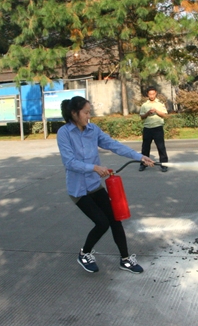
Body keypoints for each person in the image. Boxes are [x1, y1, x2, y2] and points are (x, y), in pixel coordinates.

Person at [57, 96, 155, 274]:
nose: (89, 116)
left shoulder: (93, 130)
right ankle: (84, 253)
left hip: (95, 186)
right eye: (86, 112)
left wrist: (139, 156)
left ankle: (125, 260)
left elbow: (113, 145)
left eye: (90, 112)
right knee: (102, 223)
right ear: (74, 113)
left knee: (115, 220)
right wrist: (93, 167)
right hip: (78, 190)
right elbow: (69, 162)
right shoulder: (64, 133)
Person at [139, 87, 169, 172]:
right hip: (147, 128)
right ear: (147, 94)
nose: (151, 96)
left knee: (161, 147)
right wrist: (148, 113)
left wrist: (156, 111)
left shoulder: (160, 103)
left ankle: (164, 164)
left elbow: (164, 115)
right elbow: (141, 117)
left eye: (153, 94)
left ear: (156, 93)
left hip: (158, 128)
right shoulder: (144, 105)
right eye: (150, 94)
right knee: (145, 148)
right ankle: (143, 164)